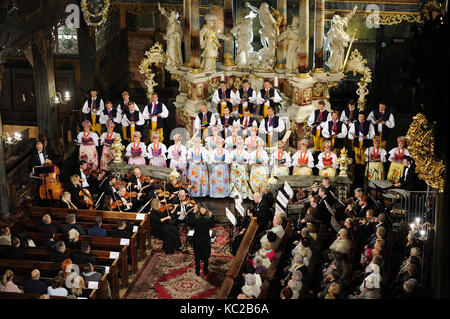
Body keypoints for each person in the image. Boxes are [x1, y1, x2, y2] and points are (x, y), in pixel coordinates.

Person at [187, 205, 215, 276]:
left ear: (198, 213)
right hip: (205, 241)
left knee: (197, 256)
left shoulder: (196, 220)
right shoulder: (208, 221)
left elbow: (190, 222)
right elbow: (213, 224)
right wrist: (211, 216)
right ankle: (205, 270)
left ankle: (197, 270)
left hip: (197, 241)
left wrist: (193, 212)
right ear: (206, 214)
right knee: (206, 256)